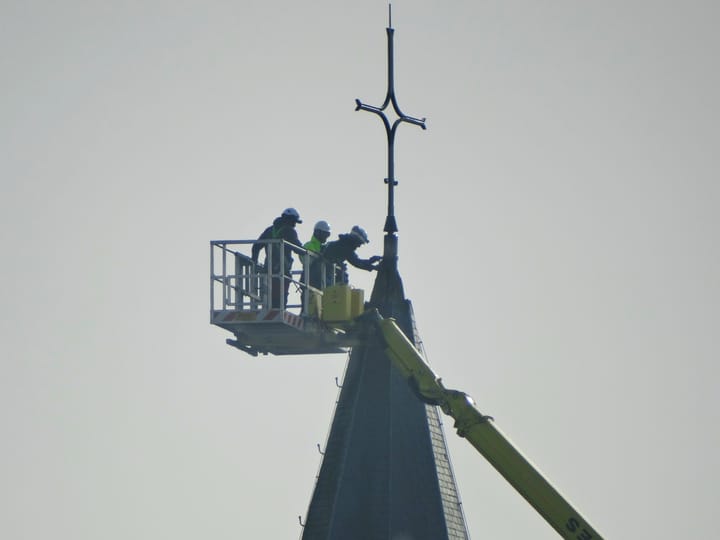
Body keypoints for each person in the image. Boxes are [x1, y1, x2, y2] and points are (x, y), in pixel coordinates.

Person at [251, 207, 303, 309]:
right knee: (280, 302)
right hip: (282, 272)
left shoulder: (270, 230)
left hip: (268, 271)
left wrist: (254, 263)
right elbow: (298, 249)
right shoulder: (289, 231)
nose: (295, 225)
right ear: (289, 220)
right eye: (294, 222)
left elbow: (256, 247)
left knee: (268, 299)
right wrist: (308, 253)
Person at [301, 220, 331, 314]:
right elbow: (307, 260)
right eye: (325, 234)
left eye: (328, 235)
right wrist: (319, 256)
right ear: (318, 232)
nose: (326, 237)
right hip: (310, 280)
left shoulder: (324, 247)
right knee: (307, 307)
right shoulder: (308, 245)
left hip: (320, 283)